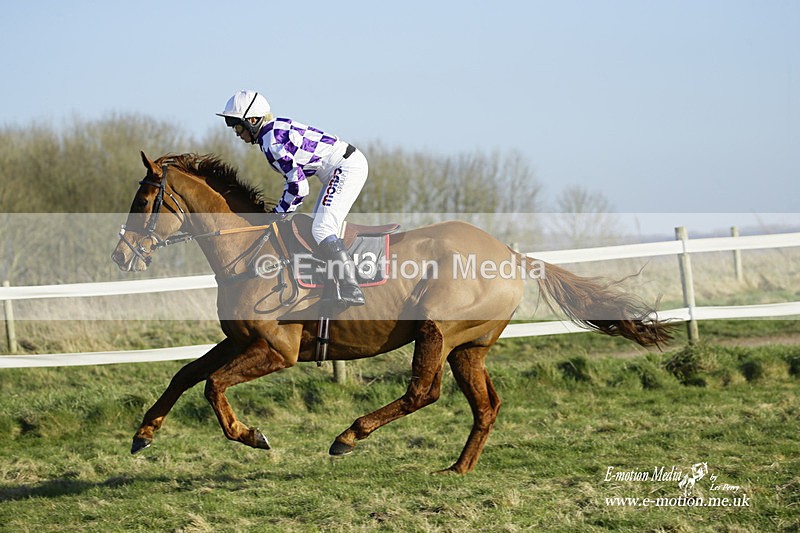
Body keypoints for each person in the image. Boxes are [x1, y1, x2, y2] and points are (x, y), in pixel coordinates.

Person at [217, 90, 366, 306]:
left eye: (238, 126)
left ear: (252, 120)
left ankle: (352, 288)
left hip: (346, 168)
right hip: (340, 167)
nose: (237, 133)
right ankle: (334, 285)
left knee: (322, 229)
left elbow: (299, 187)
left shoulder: (272, 143)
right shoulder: (272, 132)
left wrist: (278, 213)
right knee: (320, 228)